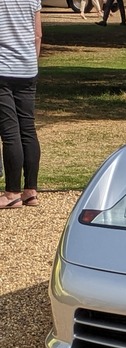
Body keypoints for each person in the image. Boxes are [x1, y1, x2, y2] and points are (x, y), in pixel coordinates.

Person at [0, 0, 42, 209]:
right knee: (28, 128)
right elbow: (37, 35)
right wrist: (31, 61)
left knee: (10, 132)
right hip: (27, 68)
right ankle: (30, 191)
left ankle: (12, 192)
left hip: (3, 68)